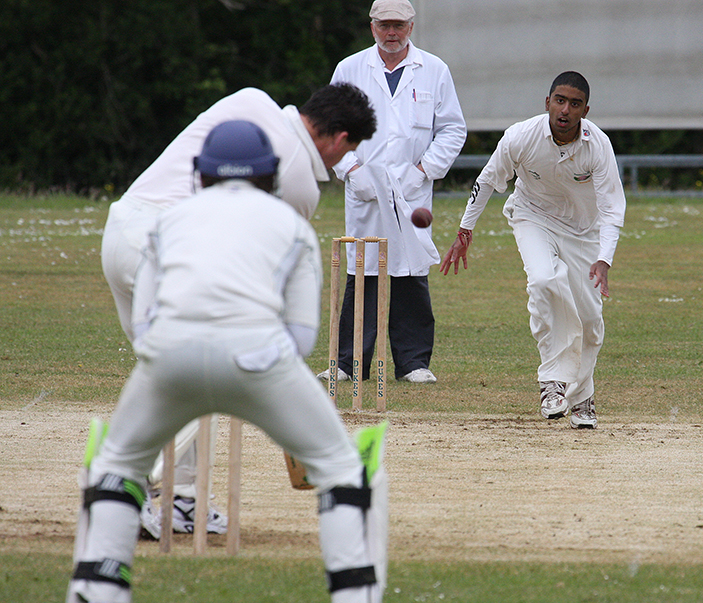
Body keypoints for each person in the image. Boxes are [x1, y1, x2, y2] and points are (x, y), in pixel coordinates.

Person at [67, 121, 389, 603]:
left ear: (202, 174)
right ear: (271, 175)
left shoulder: (167, 221)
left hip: (168, 359)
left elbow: (146, 324)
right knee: (345, 468)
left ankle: (94, 591)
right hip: (261, 359)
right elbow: (301, 338)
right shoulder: (294, 226)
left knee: (116, 465)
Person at [100, 83, 376, 538]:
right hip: (169, 252)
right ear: (341, 139)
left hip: (123, 229)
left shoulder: (249, 100)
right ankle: (128, 482)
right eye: (348, 151)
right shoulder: (301, 187)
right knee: (203, 369)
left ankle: (180, 502)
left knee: (176, 374)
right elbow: (258, 266)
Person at [441, 71, 626, 429]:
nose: (565, 110)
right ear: (547, 103)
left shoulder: (598, 145)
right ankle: (551, 384)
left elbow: (611, 207)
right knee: (543, 281)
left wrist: (605, 258)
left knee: (590, 320)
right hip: (532, 216)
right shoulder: (521, 137)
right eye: (559, 100)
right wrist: (465, 229)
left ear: (585, 111)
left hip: (584, 232)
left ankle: (582, 398)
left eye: (574, 104)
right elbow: (487, 181)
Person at [321, 0, 466, 385]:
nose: (391, 32)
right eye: (384, 25)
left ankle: (414, 362)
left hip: (411, 189)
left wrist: (425, 171)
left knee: (410, 270)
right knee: (362, 268)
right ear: (372, 27)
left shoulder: (434, 70)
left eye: (398, 25)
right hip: (366, 188)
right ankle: (348, 363)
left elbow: (452, 129)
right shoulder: (350, 69)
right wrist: (351, 169)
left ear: (411, 27)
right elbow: (328, 125)